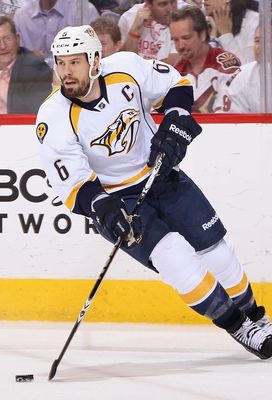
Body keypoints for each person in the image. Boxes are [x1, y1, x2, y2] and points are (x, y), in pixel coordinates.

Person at [35, 24, 272, 359]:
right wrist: (103, 208)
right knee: (175, 257)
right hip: (117, 200)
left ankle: (257, 317)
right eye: (61, 63)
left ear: (95, 61)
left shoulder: (127, 69)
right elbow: (73, 186)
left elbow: (177, 83)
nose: (66, 72)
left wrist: (175, 121)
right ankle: (239, 326)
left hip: (160, 173)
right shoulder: (53, 117)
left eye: (75, 62)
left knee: (217, 250)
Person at [170, 6, 241, 113]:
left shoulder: (226, 65)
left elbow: (231, 116)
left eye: (186, 38)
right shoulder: (176, 71)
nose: (180, 46)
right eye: (175, 40)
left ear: (202, 34)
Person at [13, 0, 99, 67]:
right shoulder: (21, 16)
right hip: (31, 79)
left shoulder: (85, 11)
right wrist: (27, 57)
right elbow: (13, 57)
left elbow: (97, 53)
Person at [215, 26, 261, 113]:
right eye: (257, 41)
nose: (259, 46)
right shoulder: (242, 75)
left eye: (268, 41)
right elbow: (233, 119)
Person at [204, 0, 259, 64]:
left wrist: (226, 35)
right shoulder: (204, 22)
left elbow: (248, 68)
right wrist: (213, 38)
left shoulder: (254, 21)